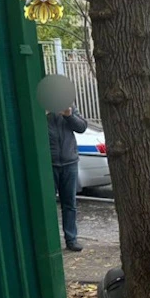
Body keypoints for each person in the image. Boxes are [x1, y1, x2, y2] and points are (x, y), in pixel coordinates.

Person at [47, 105, 87, 252]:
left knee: (70, 203)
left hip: (69, 162)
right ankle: (50, 240)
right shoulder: (39, 107)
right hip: (48, 164)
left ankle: (71, 239)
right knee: (48, 205)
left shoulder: (67, 104)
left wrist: (69, 115)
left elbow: (82, 127)